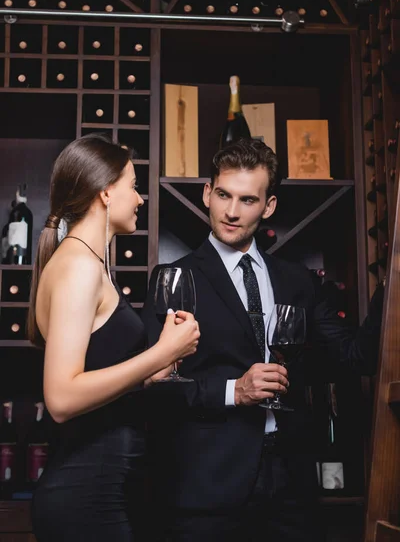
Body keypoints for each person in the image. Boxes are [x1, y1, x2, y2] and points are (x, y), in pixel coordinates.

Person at [141, 138, 384, 542]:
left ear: (268, 206)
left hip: (291, 486)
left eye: (248, 200)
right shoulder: (176, 280)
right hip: (206, 491)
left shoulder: (297, 280)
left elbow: (355, 356)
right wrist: (235, 391)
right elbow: (155, 388)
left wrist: (391, 283)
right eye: (223, 195)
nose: (231, 212)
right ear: (207, 193)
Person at [28, 133, 200, 542]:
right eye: (133, 187)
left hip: (100, 490)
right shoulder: (78, 268)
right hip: (85, 496)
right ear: (106, 192)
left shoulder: (82, 262)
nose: (140, 199)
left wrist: (145, 379)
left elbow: (93, 374)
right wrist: (160, 354)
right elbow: (62, 399)